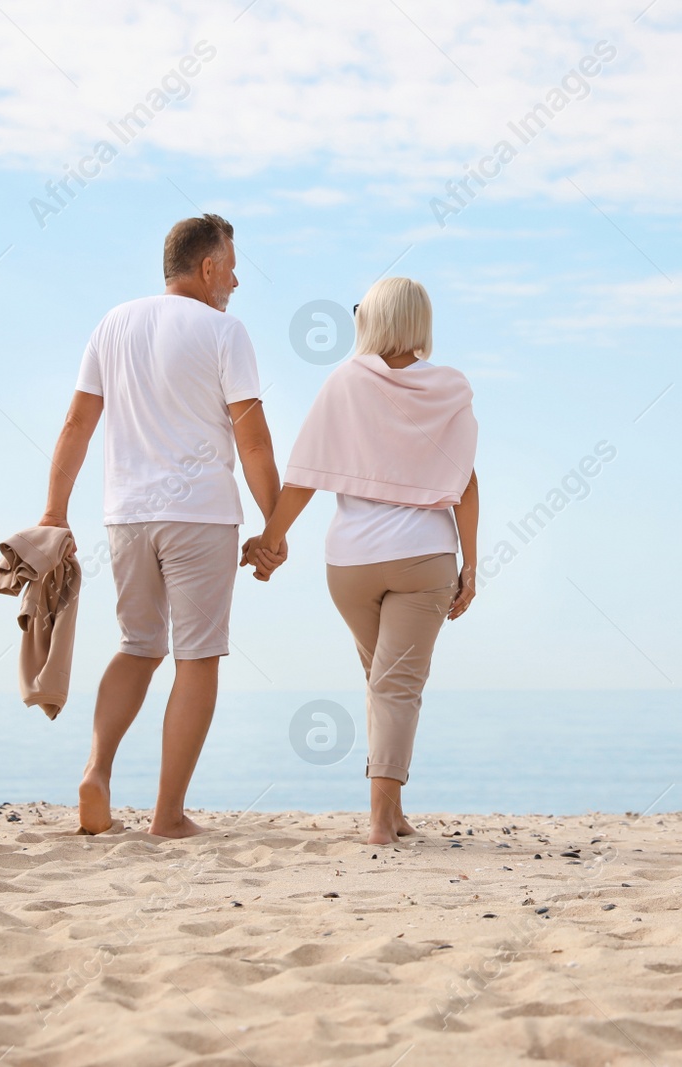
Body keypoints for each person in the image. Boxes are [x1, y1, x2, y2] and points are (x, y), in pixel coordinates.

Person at [38, 213, 283, 838]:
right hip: (198, 515)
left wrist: (54, 512)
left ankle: (96, 771)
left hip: (126, 515)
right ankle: (168, 815)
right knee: (196, 658)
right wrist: (275, 525)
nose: (235, 281)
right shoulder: (226, 332)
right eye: (231, 266)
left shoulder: (112, 324)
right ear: (208, 268)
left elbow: (76, 425)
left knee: (137, 646)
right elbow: (252, 443)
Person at [248, 277, 478, 845]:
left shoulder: (345, 380)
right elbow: (466, 483)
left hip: (350, 565)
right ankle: (380, 821)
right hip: (422, 558)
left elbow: (304, 474)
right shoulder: (450, 387)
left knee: (382, 684)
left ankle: (391, 813)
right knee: (397, 688)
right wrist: (471, 565)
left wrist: (271, 541)